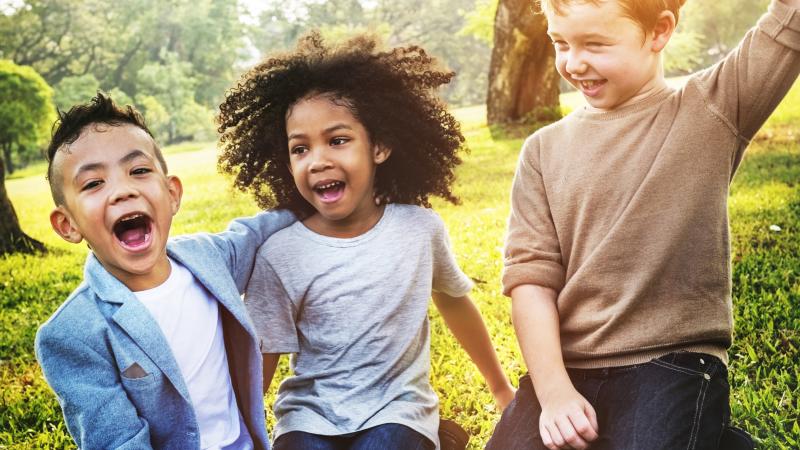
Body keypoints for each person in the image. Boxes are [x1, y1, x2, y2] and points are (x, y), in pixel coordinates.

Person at [486, 0, 800, 449]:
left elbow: (787, 24)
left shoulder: (713, 107)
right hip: (566, 370)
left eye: (595, 44)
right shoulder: (541, 152)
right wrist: (554, 391)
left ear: (659, 32)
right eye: (561, 42)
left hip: (670, 363)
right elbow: (530, 282)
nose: (574, 63)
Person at [216, 33, 516, 450]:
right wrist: (238, 433)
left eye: (338, 140)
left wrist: (500, 389)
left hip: (398, 410)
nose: (318, 159)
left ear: (380, 146)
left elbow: (453, 301)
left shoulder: (418, 230)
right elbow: (263, 356)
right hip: (309, 416)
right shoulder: (280, 254)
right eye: (300, 148)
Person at [35, 93, 294, 450]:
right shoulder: (72, 333)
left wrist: (328, 198)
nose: (123, 191)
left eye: (139, 171)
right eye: (94, 183)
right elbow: (118, 442)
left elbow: (261, 229)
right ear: (67, 225)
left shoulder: (206, 258)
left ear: (172, 194)